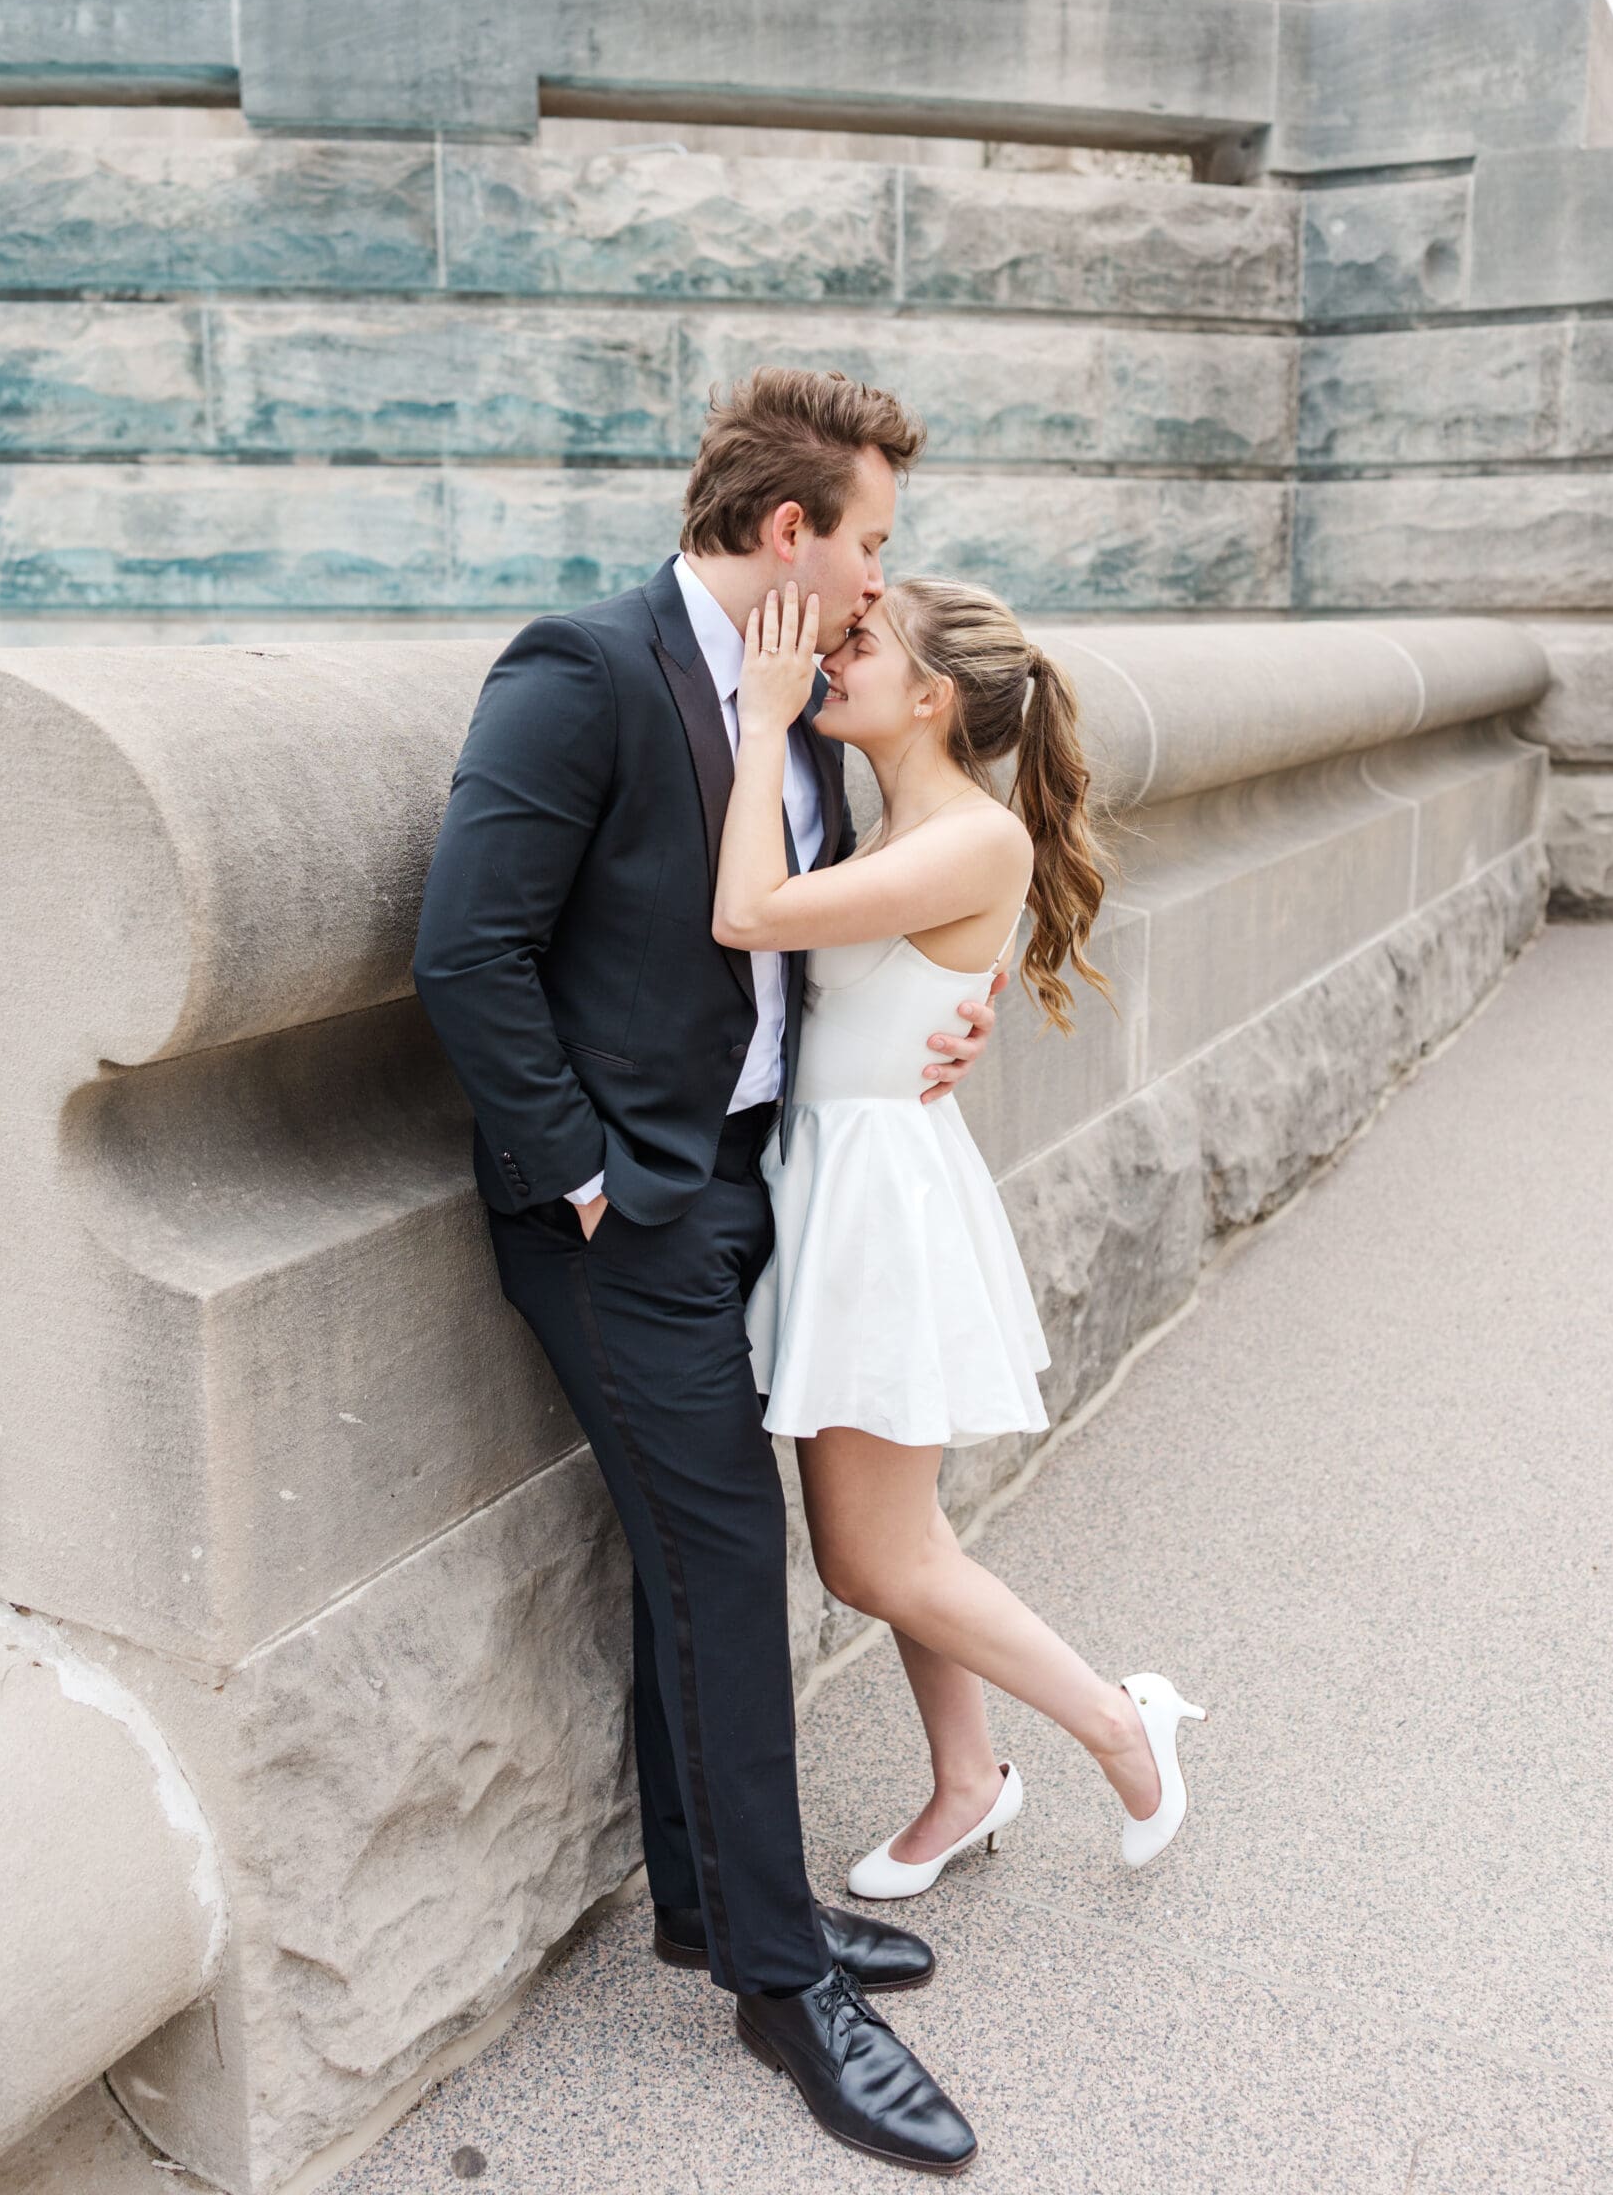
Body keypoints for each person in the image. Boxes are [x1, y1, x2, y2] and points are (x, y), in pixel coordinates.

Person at [411, 368, 1001, 2177]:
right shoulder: (583, 673)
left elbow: (844, 917)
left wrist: (931, 1022)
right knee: (735, 1562)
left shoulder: (806, 703)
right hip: (620, 1219)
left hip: (755, 1182)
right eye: (871, 540)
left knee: (703, 1553)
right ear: (784, 534)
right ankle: (776, 1982)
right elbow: (467, 949)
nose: (885, 579)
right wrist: (584, 1178)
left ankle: (711, 1907)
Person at [714, 574, 1208, 1906]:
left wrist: (761, 725)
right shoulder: (892, 821)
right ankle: (967, 1782)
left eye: (859, 643)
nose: (829, 650)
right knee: (901, 1537)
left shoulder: (974, 837)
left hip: (879, 1207)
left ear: (931, 696)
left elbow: (748, 915)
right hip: (839, 1180)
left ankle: (1118, 1721)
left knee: (874, 1555)